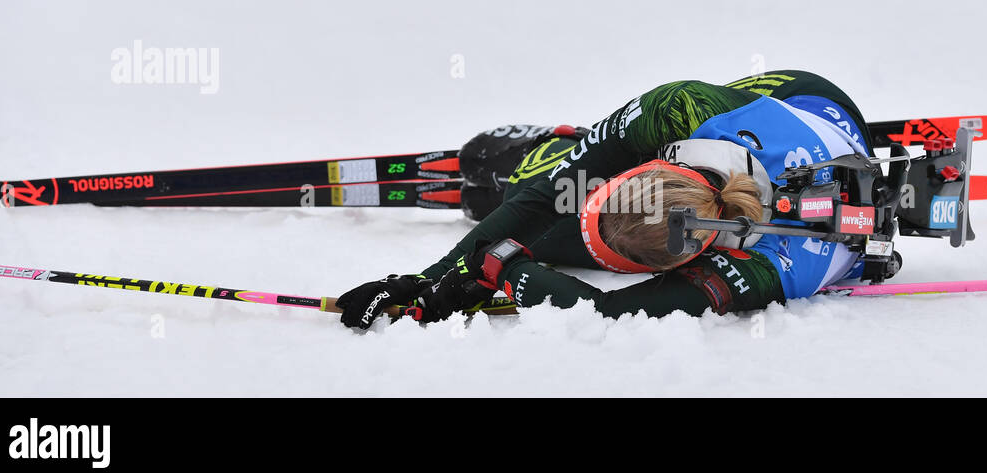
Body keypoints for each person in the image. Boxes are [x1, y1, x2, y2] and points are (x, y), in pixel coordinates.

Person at [336, 70, 881, 328]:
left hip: (807, 149)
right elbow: (546, 198)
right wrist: (433, 279)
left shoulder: (761, 269)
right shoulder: (679, 108)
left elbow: (611, 313)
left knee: (567, 236)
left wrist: (500, 265)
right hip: (808, 99)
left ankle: (581, 187)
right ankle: (556, 148)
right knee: (559, 184)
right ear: (655, 162)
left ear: (695, 259)